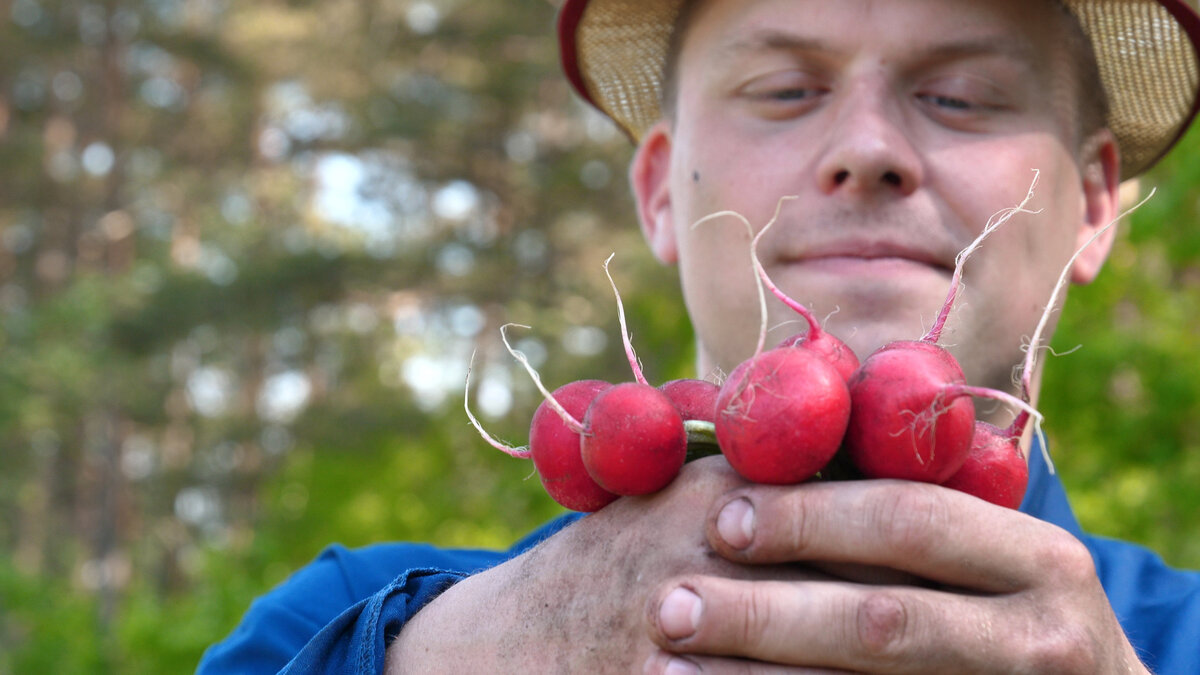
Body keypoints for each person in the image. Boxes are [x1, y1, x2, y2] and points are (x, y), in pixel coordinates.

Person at [198, 0, 1200, 672]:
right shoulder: (353, 625)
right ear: (658, 194)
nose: (867, 150)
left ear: (1095, 203)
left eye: (961, 96)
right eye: (785, 91)